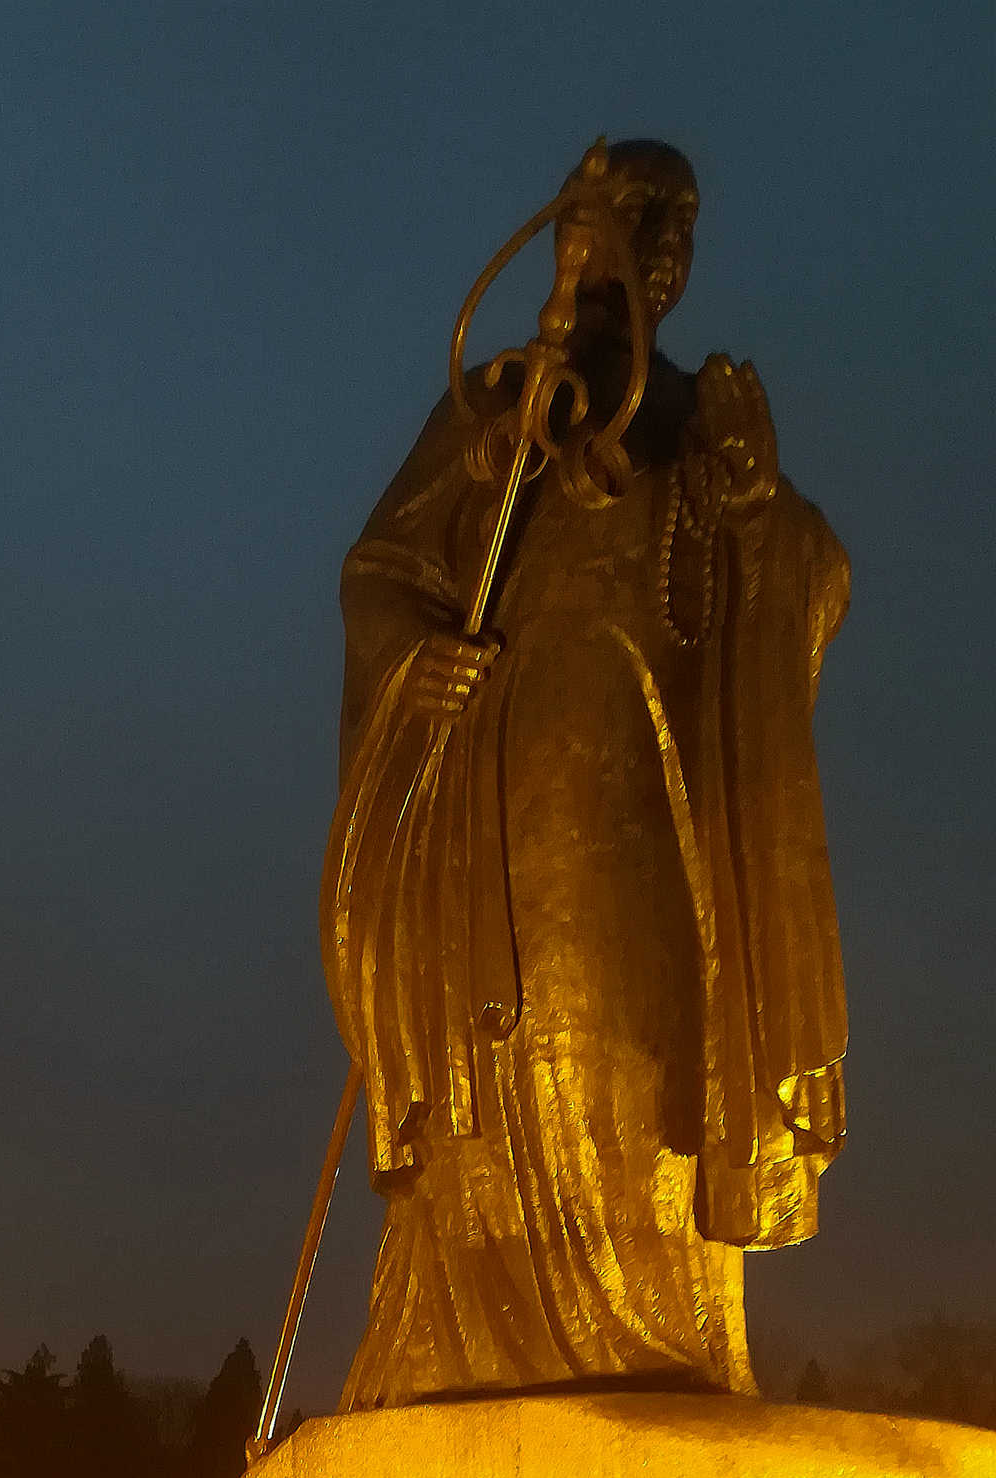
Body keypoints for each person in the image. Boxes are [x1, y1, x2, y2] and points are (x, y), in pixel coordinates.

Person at [323, 140, 849, 1408]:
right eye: (573, 259)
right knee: (509, 1046)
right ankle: (472, 1342)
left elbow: (810, 577)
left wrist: (755, 508)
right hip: (500, 784)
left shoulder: (689, 424)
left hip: (650, 799)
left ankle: (660, 1342)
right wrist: (417, 663)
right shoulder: (496, 409)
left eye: (621, 264)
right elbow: (380, 574)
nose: (590, 291)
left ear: (663, 278)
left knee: (639, 1050)